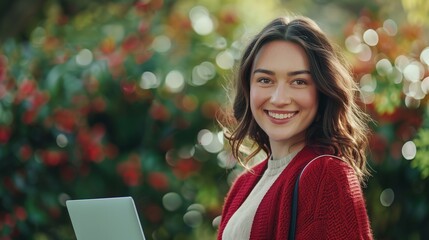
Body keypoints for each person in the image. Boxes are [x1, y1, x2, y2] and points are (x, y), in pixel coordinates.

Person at [217, 16, 373, 239]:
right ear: (248, 88)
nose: (279, 99)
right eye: (265, 80)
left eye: (298, 82)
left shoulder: (327, 177)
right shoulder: (244, 184)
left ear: (321, 91)